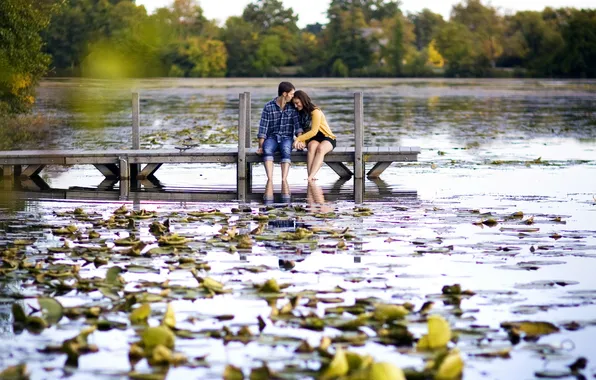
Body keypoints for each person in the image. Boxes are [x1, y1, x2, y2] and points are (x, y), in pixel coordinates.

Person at [257, 82, 302, 202]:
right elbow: (263, 129)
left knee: (286, 150)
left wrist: (299, 140)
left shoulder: (292, 108)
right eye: (291, 94)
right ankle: (270, 179)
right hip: (272, 137)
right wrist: (260, 146)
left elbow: (298, 128)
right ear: (284, 94)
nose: (293, 96)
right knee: (267, 149)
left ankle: (284, 180)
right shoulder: (268, 107)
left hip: (287, 137)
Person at [291, 90, 337, 182]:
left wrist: (298, 139)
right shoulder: (300, 113)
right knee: (311, 147)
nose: (296, 106)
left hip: (326, 137)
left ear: (303, 100)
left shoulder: (315, 111)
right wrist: (302, 141)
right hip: (313, 138)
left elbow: (313, 131)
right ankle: (310, 176)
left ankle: (311, 176)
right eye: (294, 104)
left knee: (320, 149)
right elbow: (303, 130)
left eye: (297, 103)